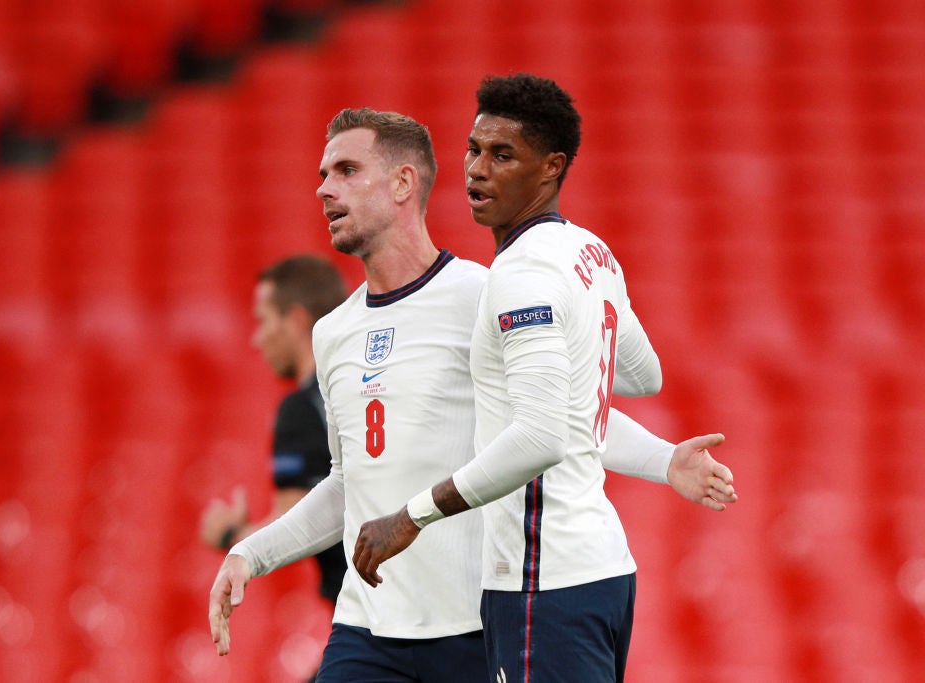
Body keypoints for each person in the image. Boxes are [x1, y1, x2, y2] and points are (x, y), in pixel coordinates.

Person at [209, 107, 736, 683]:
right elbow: (346, 485)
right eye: (323, 174)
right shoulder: (333, 333)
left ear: (403, 184)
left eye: (346, 170)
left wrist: (663, 460)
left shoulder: (484, 296)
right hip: (365, 632)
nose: (324, 189)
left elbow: (560, 414)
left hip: (475, 632)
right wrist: (251, 553)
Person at [352, 74, 736, 682]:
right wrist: (665, 461)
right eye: (474, 149)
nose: (476, 169)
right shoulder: (592, 253)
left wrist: (411, 517)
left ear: (552, 167)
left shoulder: (522, 274)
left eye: (503, 155)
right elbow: (639, 374)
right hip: (601, 574)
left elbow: (541, 436)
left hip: (543, 584)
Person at [199, 255, 349, 622]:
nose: (256, 338)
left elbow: (294, 523)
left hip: (367, 621)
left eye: (263, 320)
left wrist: (231, 535)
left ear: (295, 320)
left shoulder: (300, 409)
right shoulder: (363, 391)